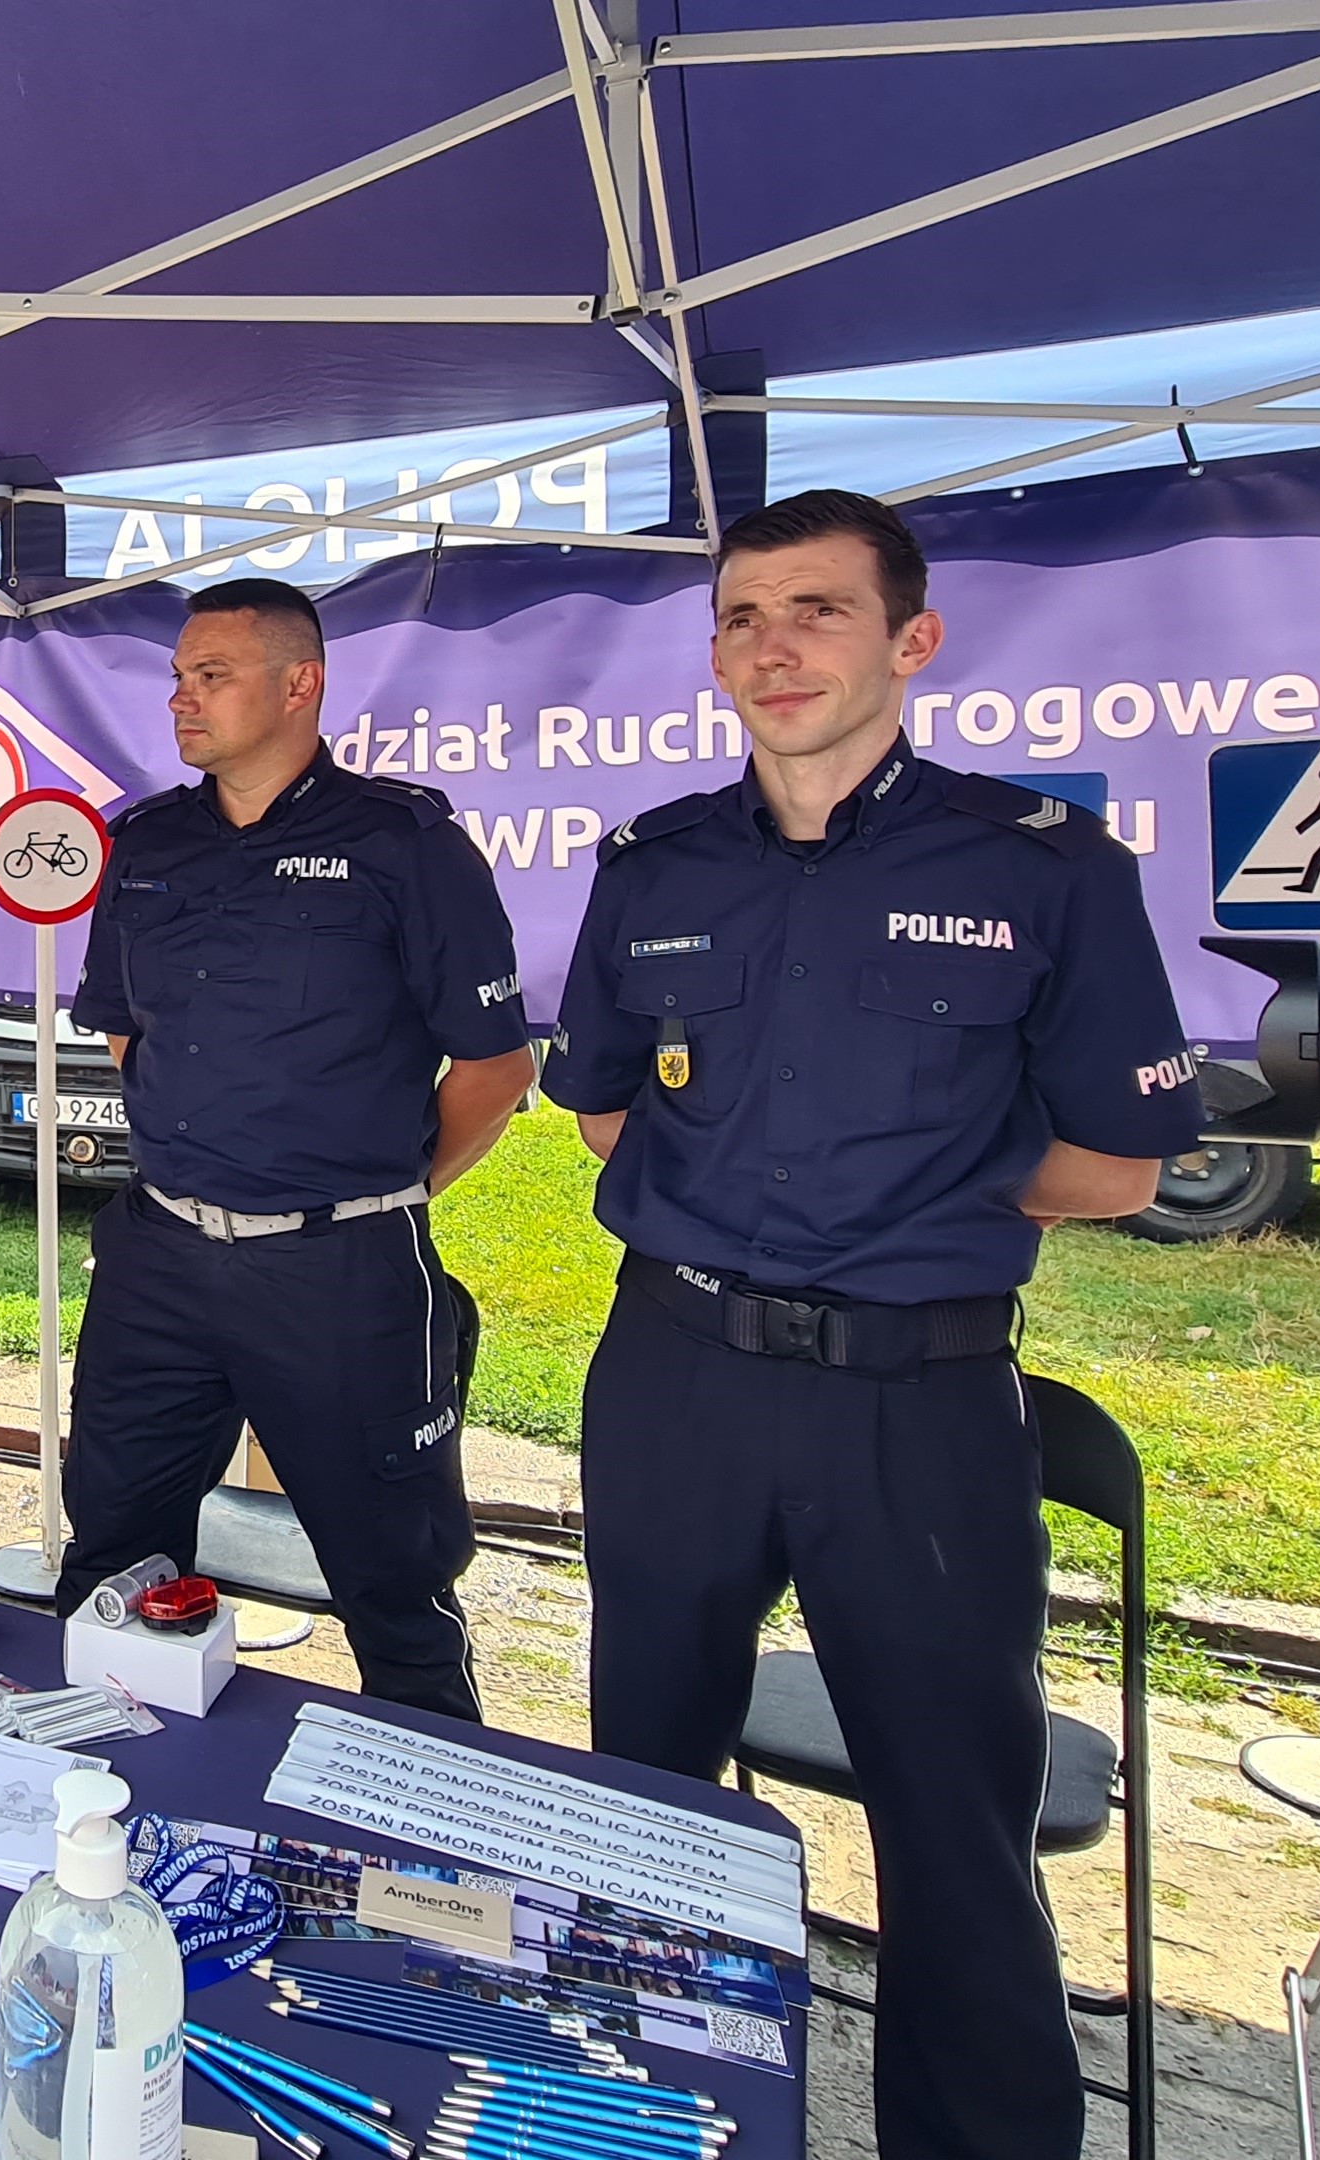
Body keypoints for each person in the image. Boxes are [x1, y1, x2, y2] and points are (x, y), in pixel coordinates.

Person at [540, 489, 1200, 2160]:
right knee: (646, 1778)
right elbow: (607, 1107)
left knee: (950, 1821)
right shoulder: (653, 863)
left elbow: (1119, 1160)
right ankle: (636, 2110)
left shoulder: (1038, 865)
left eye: (817, 610)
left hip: (917, 1404)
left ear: (910, 639)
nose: (773, 645)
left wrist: (918, 1208)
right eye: (743, 615)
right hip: (675, 1376)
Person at [60, 578, 536, 1718]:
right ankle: (102, 1800)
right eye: (176, 676)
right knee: (110, 1559)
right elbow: (127, 1031)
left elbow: (495, 1068)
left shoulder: (402, 845)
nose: (181, 697)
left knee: (393, 1585)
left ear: (298, 684)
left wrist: (376, 1197)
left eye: (210, 675)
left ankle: (430, 1862)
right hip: (160, 1259)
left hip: (341, 1276)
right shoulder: (148, 843)